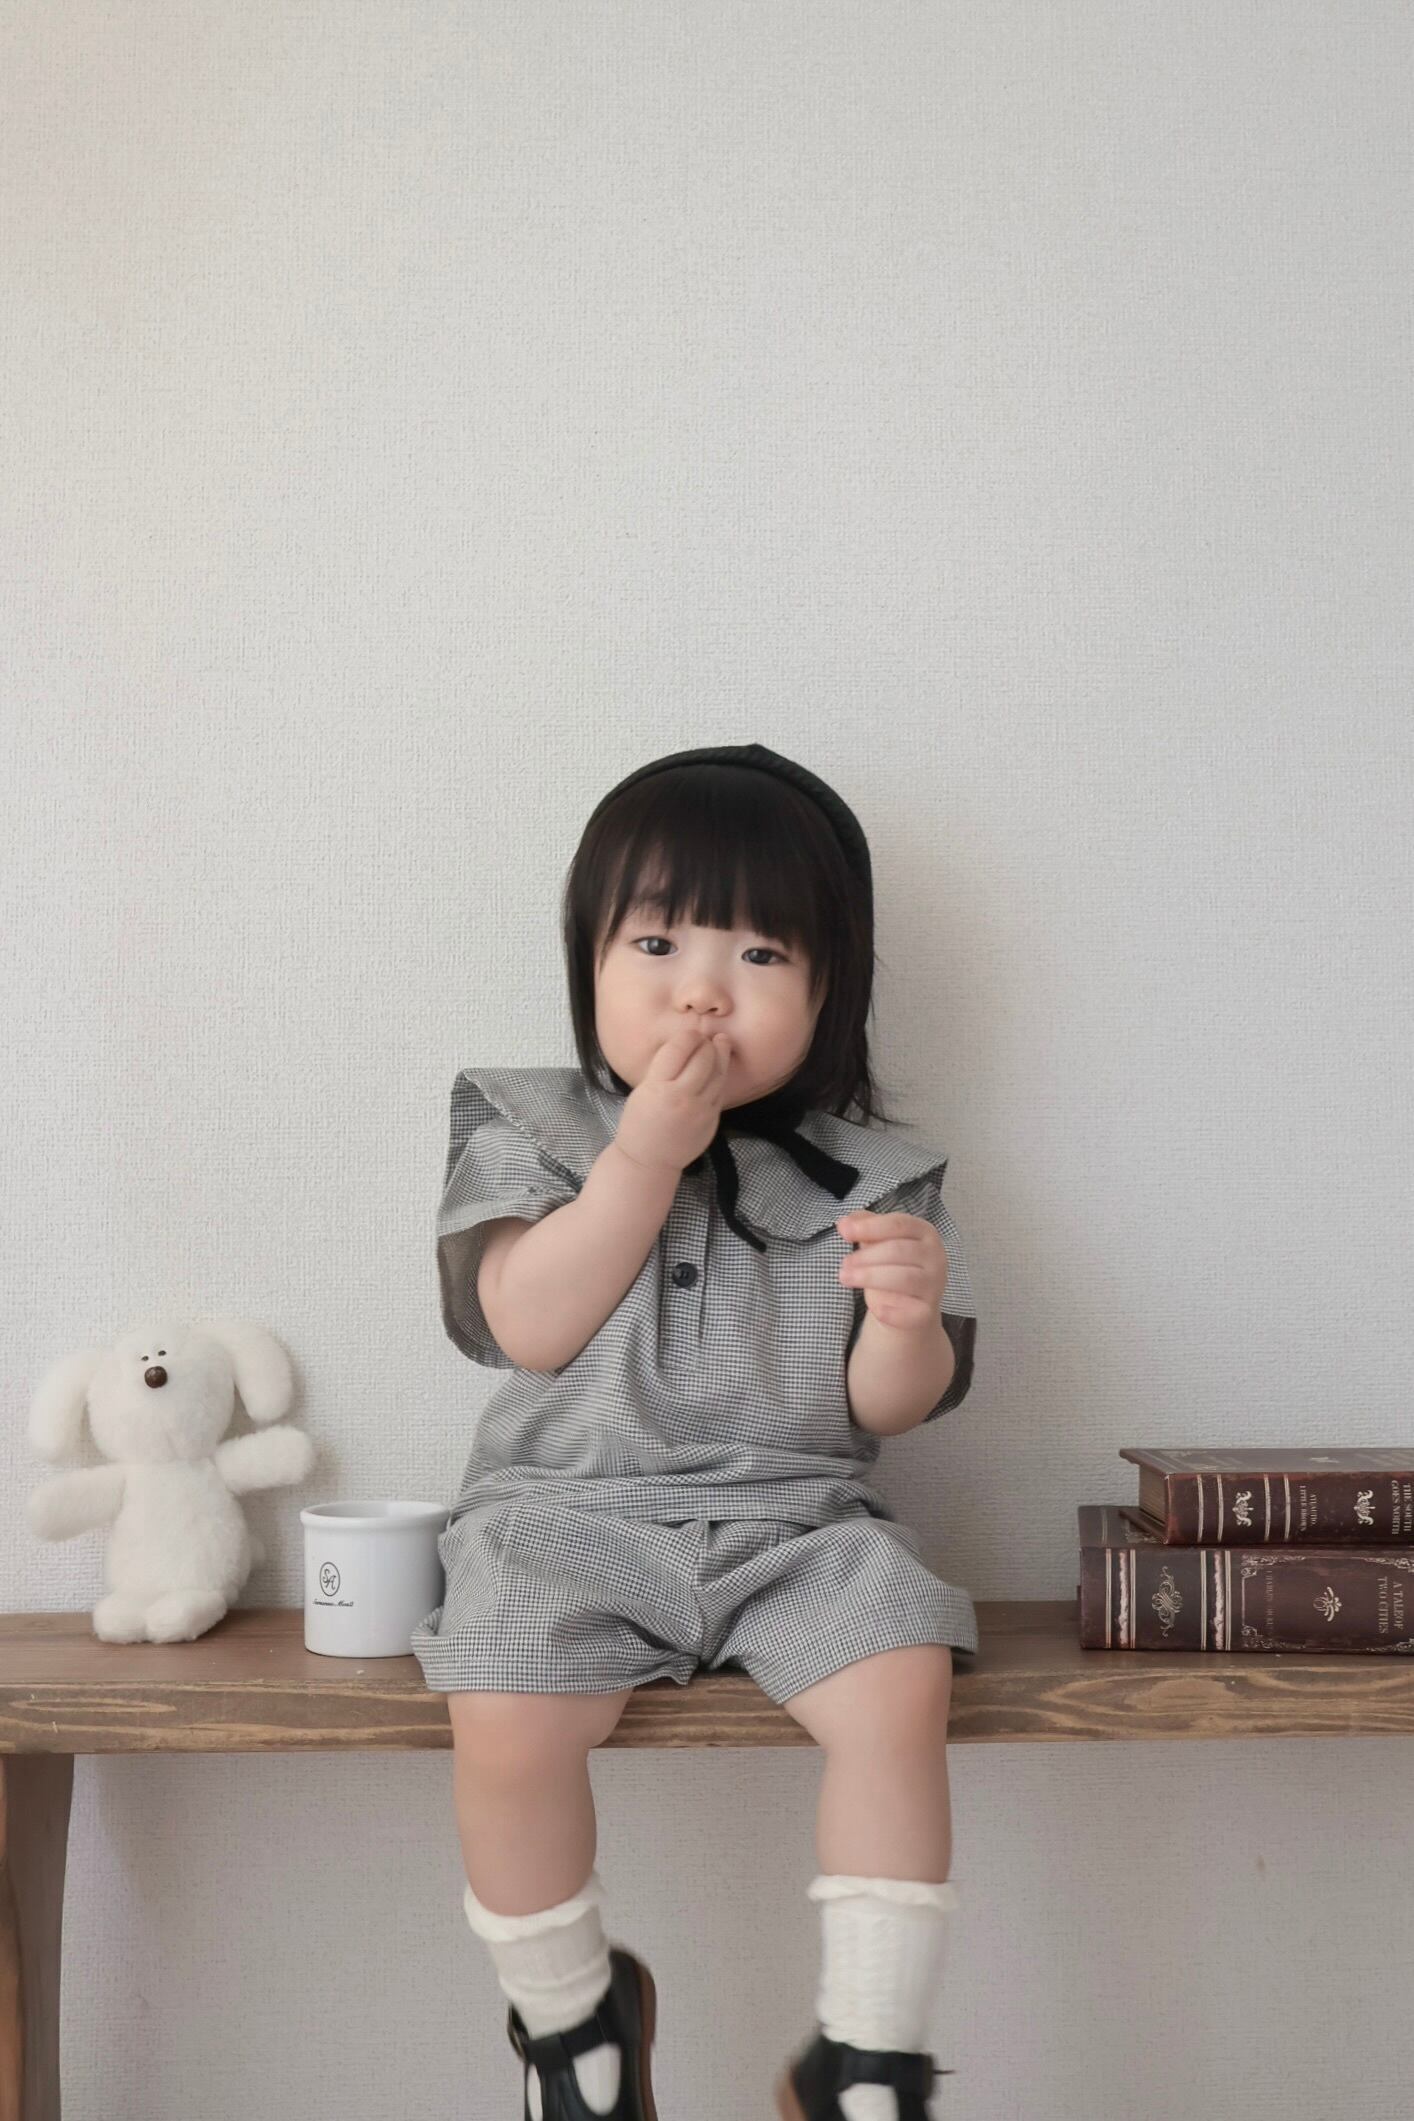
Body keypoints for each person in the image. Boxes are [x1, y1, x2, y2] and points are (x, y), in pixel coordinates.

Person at [411, 742, 979, 2120]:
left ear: (829, 993)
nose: (701, 990)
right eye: (656, 942)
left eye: (760, 954)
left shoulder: (874, 1171)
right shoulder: (526, 1126)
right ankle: (574, 2026)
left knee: (901, 1678)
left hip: (798, 1522)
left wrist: (906, 1321)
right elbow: (527, 1322)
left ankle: (865, 2053)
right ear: (588, 961)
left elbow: (881, 1409)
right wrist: (642, 1156)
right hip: (563, 1517)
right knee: (503, 1711)